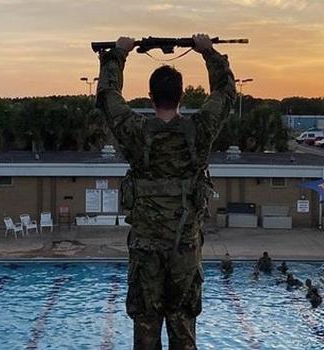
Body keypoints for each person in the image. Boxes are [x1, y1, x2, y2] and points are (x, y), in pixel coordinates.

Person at [96, 33, 236, 349]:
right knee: (183, 328)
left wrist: (119, 53)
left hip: (146, 250)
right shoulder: (200, 130)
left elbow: (108, 95)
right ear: (182, 96)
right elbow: (226, 92)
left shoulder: (134, 131)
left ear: (150, 95)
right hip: (184, 248)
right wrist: (208, 52)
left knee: (146, 329)